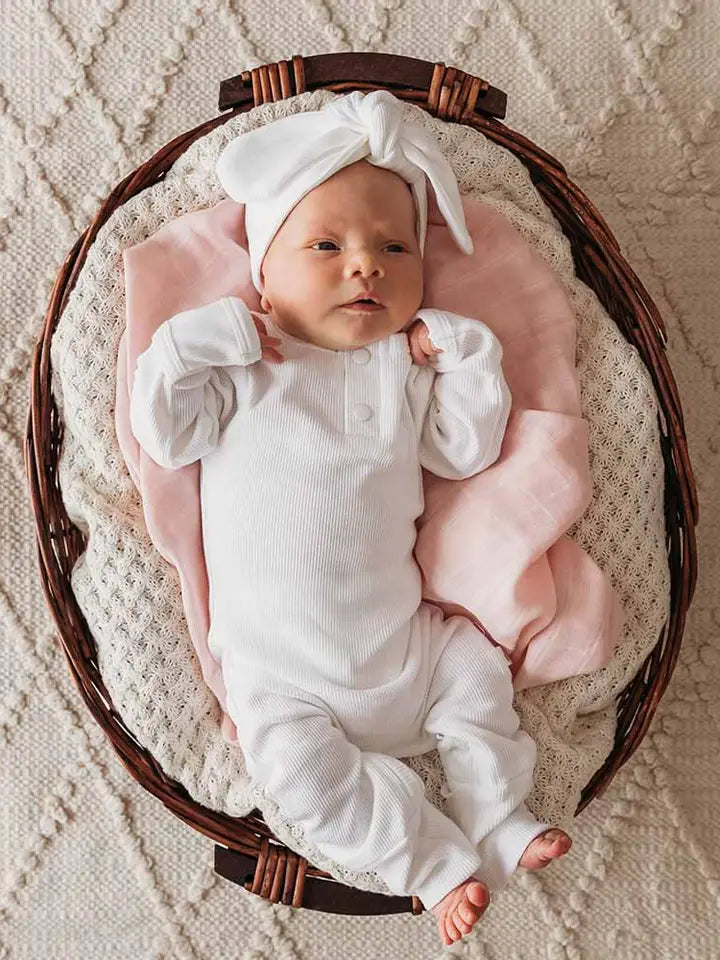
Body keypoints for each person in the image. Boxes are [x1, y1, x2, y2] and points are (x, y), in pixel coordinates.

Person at [129, 90, 571, 947]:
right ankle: (432, 861)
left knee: (478, 675)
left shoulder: (401, 367)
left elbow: (465, 452)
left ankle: (496, 815)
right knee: (297, 776)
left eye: (394, 247)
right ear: (265, 272)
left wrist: (467, 355)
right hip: (284, 679)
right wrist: (190, 344)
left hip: (408, 649)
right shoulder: (246, 360)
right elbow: (165, 433)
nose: (366, 265)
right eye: (327, 246)